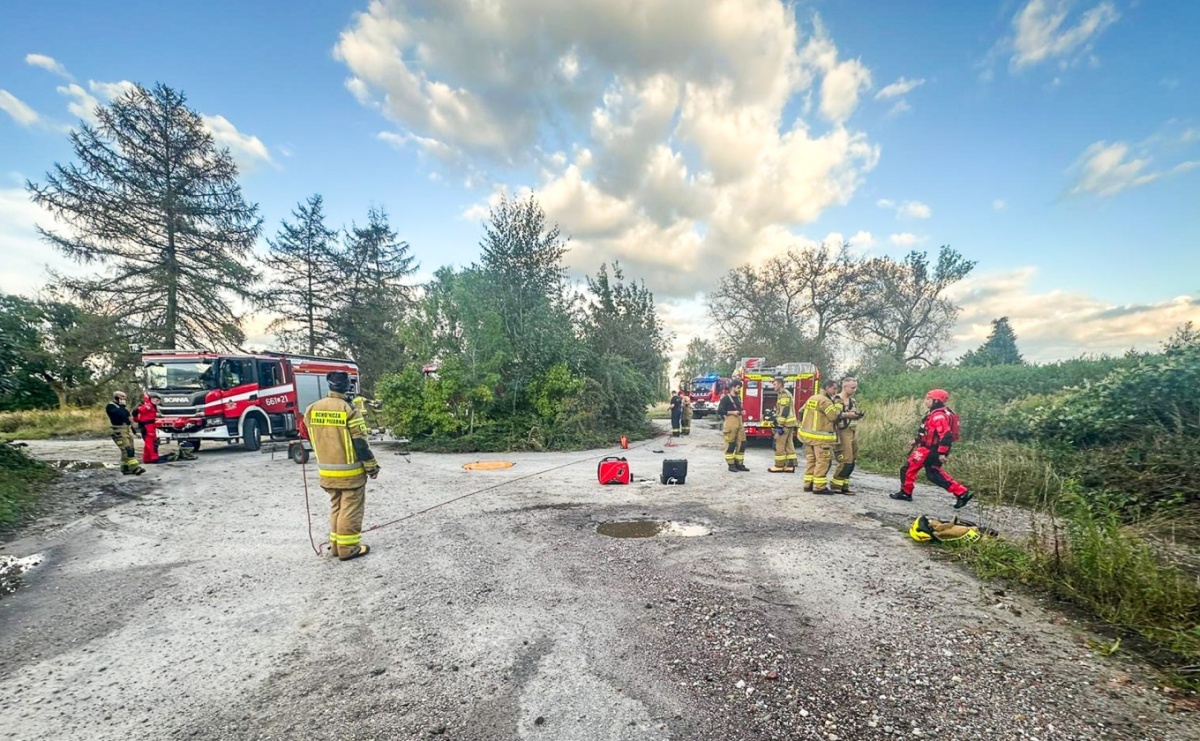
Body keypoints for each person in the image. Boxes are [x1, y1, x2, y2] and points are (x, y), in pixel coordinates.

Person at [305, 371, 381, 561]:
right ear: (347, 386)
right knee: (350, 508)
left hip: (326, 471)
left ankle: (336, 546)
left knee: (336, 506)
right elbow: (360, 443)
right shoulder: (348, 409)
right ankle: (348, 548)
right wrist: (371, 466)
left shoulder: (312, 408)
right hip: (350, 472)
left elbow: (308, 434)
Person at [890, 389, 973, 509]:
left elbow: (946, 435)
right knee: (933, 473)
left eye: (928, 399)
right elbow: (928, 432)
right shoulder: (940, 413)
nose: (926, 401)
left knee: (908, 469)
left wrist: (942, 453)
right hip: (933, 449)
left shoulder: (938, 416)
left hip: (929, 450)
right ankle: (962, 492)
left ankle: (906, 493)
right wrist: (917, 440)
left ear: (936, 401)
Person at [798, 379, 843, 494]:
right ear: (827, 388)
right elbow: (834, 416)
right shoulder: (825, 401)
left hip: (808, 437)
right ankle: (819, 487)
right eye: (834, 388)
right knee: (822, 461)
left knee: (811, 460)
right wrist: (838, 404)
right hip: (820, 439)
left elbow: (801, 411)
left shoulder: (812, 398)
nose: (835, 391)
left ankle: (808, 485)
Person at [134, 393, 195, 464]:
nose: (158, 402)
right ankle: (154, 458)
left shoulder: (152, 406)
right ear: (152, 399)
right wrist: (137, 419)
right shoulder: (148, 406)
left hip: (150, 425)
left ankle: (147, 459)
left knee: (149, 443)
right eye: (157, 400)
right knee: (151, 443)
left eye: (159, 401)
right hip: (147, 426)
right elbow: (136, 411)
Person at [830, 377, 864, 494]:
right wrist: (848, 415)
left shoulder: (853, 401)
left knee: (853, 459)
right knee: (846, 459)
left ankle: (844, 485)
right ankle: (836, 484)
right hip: (842, 432)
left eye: (856, 387)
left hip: (853, 431)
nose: (855, 389)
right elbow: (835, 415)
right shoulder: (837, 399)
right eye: (852, 387)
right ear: (845, 387)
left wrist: (857, 415)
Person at [105, 391, 144, 476]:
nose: (124, 398)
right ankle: (135, 468)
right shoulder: (110, 406)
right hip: (118, 430)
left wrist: (135, 432)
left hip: (127, 430)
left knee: (129, 450)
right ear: (116, 397)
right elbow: (118, 414)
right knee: (127, 450)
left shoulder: (123, 408)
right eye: (122, 396)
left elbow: (128, 420)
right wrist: (122, 406)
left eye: (125, 397)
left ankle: (125, 468)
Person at [716, 379, 749, 472]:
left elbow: (739, 408)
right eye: (738, 388)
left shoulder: (738, 398)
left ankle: (739, 463)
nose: (739, 390)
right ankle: (731, 464)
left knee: (742, 443)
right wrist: (732, 412)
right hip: (730, 422)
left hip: (739, 422)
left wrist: (742, 411)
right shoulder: (725, 398)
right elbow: (720, 411)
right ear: (732, 387)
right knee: (731, 444)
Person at [768, 376, 798, 473]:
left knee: (779, 444)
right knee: (789, 444)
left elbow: (785, 410)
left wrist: (780, 425)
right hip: (790, 423)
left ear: (780, 384)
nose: (773, 386)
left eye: (775, 384)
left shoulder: (784, 394)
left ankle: (779, 465)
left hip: (785, 424)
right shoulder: (783, 394)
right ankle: (790, 465)